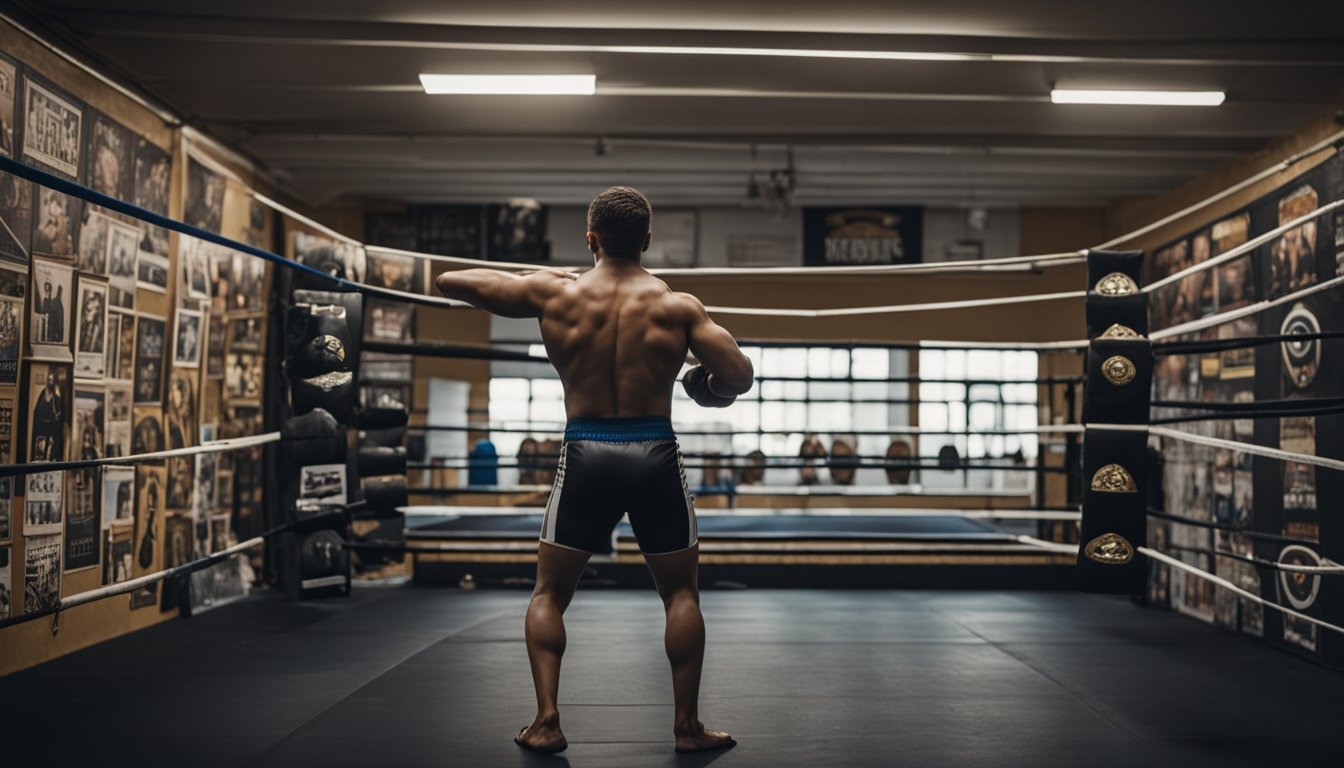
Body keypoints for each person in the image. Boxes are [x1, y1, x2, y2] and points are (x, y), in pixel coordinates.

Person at [436, 186, 753, 754]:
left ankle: (547, 721)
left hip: (585, 450)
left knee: (549, 593)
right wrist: (707, 389)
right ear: (648, 241)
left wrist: (546, 275)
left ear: (591, 238)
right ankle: (686, 728)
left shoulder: (555, 294)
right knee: (681, 592)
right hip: (653, 450)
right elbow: (739, 374)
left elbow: (451, 282)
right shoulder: (678, 306)